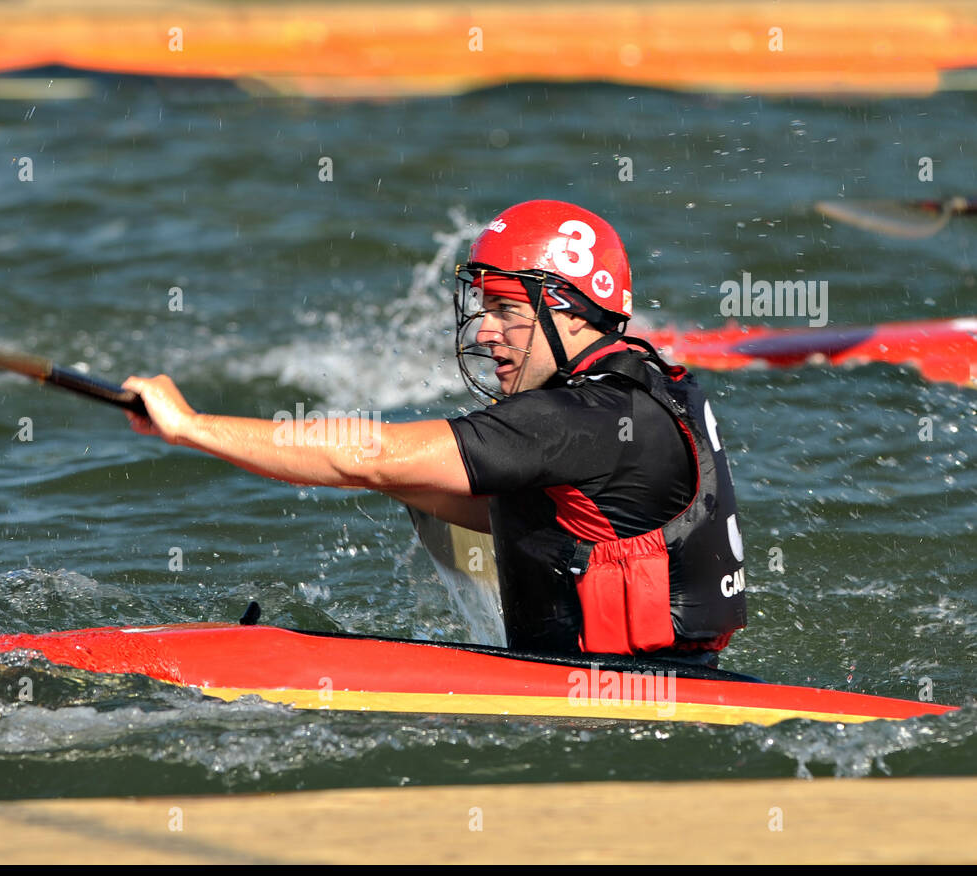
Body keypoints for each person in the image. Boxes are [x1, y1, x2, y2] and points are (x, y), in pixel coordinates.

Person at [124, 199, 746, 663]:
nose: (483, 333)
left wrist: (190, 426)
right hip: (652, 679)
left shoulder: (577, 421)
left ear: (569, 311)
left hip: (615, 705)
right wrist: (394, 478)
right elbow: (519, 513)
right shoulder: (649, 392)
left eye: (505, 311)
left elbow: (369, 455)